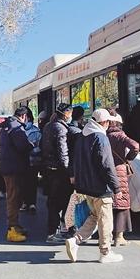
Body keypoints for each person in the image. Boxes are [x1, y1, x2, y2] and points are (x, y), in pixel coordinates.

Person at [65, 108, 123, 264]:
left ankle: (75, 240)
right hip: (101, 187)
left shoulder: (82, 136)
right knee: (105, 220)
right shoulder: (100, 137)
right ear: (104, 122)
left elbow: (74, 159)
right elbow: (107, 165)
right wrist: (116, 187)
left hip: (86, 186)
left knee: (95, 216)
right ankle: (105, 252)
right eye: (108, 122)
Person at [41, 103, 80, 243]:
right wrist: (69, 172)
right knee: (60, 201)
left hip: (49, 169)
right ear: (66, 114)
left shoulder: (48, 126)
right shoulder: (61, 129)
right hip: (59, 172)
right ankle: (54, 232)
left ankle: (56, 230)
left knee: (53, 201)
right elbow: (63, 152)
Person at [0, 107, 34, 242]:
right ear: (24, 116)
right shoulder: (16, 127)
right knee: (13, 198)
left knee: (15, 197)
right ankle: (12, 228)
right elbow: (22, 146)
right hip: (14, 167)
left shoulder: (8, 126)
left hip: (9, 166)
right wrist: (32, 144)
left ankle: (15, 225)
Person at [105, 109, 139, 247]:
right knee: (121, 203)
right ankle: (119, 237)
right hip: (119, 170)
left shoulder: (102, 135)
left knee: (106, 203)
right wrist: (128, 158)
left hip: (104, 171)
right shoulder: (120, 135)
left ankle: (106, 236)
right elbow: (135, 146)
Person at [21, 107, 43, 213]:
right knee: (22, 182)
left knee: (32, 182)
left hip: (33, 160)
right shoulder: (18, 130)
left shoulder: (36, 131)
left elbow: (40, 146)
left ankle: (31, 203)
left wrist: (31, 149)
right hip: (21, 161)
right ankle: (24, 202)